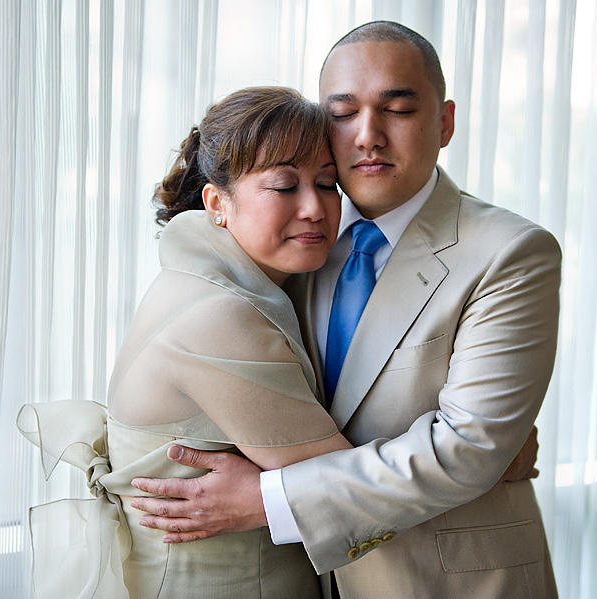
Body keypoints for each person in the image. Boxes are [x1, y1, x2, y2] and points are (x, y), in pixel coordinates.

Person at [131, 21, 561, 599]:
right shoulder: (296, 240)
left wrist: (269, 498)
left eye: (398, 109)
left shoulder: (511, 252)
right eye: (343, 113)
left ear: (445, 122)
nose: (368, 136)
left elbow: (470, 448)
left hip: (450, 581)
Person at [18, 86, 356, 598]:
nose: (315, 207)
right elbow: (347, 488)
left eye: (328, 184)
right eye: (284, 186)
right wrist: (476, 451)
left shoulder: (227, 281)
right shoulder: (218, 314)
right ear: (217, 202)